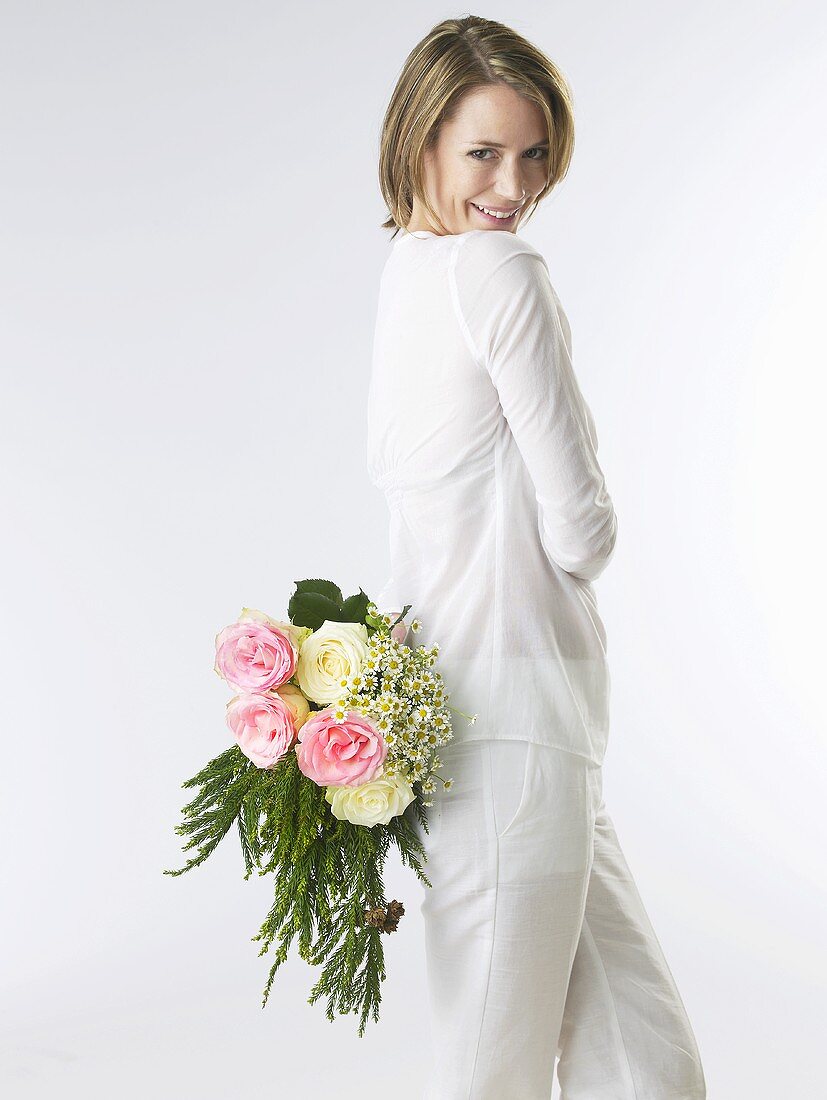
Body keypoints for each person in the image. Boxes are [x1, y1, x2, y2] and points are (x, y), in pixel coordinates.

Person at [367, 15, 707, 1100]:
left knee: (644, 1057)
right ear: (420, 144)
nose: (511, 185)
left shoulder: (407, 276)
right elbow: (582, 529)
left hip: (486, 718)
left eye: (532, 153)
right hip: (512, 724)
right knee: (489, 1066)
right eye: (481, 153)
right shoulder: (496, 273)